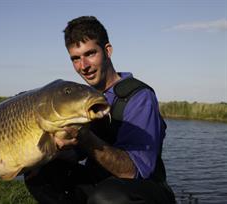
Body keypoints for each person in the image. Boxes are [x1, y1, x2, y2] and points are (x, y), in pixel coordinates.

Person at [24, 16, 176, 204]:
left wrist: (84, 137)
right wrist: (40, 156)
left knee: (107, 197)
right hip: (101, 181)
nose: (83, 66)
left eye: (90, 54)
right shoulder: (82, 100)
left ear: (107, 51)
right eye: (75, 58)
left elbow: (132, 171)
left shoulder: (139, 97)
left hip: (143, 190)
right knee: (42, 173)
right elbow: (75, 154)